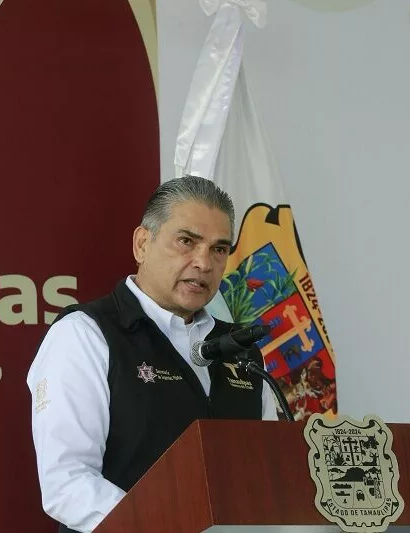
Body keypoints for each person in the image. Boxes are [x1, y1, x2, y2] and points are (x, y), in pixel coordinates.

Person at [27, 176, 278, 533]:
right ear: (142, 244)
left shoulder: (243, 352)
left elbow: (269, 475)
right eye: (187, 241)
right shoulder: (86, 334)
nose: (204, 262)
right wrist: (170, 524)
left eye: (219, 249)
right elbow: (67, 483)